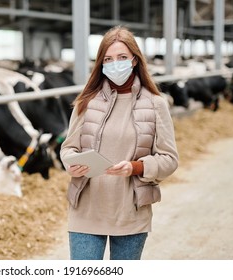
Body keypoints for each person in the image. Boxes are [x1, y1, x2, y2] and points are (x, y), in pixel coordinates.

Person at [60, 26, 179, 260]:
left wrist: (136, 167)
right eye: (109, 59)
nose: (115, 64)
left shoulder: (156, 104)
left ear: (134, 60)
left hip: (131, 214)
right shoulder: (87, 101)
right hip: (87, 211)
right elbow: (69, 148)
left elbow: (170, 159)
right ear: (101, 64)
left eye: (122, 57)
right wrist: (70, 163)